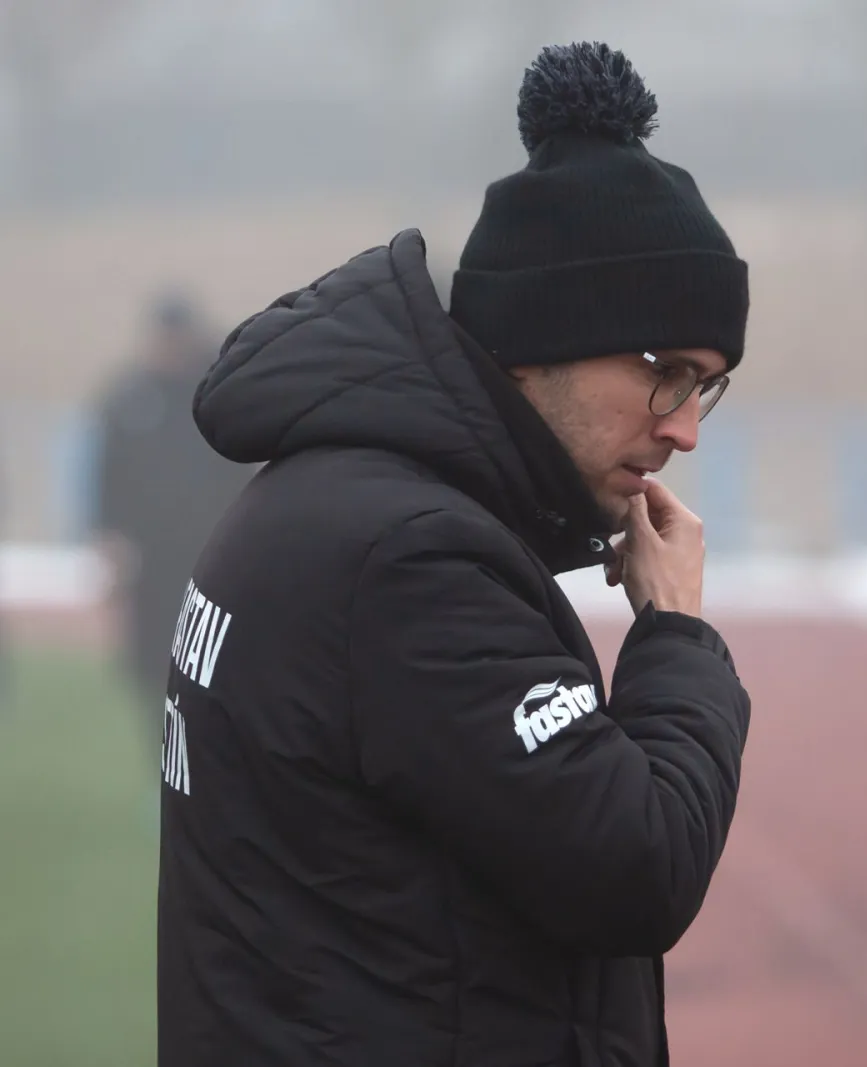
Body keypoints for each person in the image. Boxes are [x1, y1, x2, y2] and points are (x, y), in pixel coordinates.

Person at [157, 42, 753, 1067]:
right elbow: (637, 866)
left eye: (707, 386)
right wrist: (676, 638)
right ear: (541, 337)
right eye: (667, 372)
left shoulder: (337, 496)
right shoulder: (410, 560)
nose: (685, 427)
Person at [90, 292, 254, 752]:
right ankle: (162, 759)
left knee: (210, 662)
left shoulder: (215, 395)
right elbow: (108, 477)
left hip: (207, 556)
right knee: (152, 667)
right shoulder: (127, 400)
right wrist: (109, 539)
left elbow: (238, 472)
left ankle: (207, 757)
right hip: (147, 561)